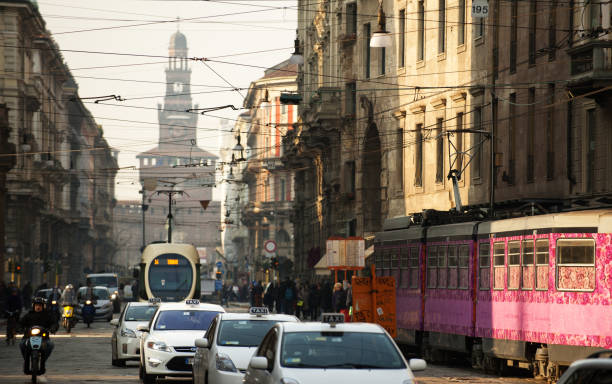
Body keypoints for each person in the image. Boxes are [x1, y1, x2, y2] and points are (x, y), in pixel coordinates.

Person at [19, 297, 56, 374]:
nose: (38, 307)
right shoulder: (28, 315)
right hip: (28, 337)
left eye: (40, 305)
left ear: (43, 306)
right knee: (22, 344)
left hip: (44, 338)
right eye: (36, 305)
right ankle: (26, 359)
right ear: (33, 306)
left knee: (50, 345)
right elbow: (20, 323)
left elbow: (54, 323)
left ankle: (43, 359)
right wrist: (20, 329)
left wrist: (53, 328)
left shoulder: (47, 315)